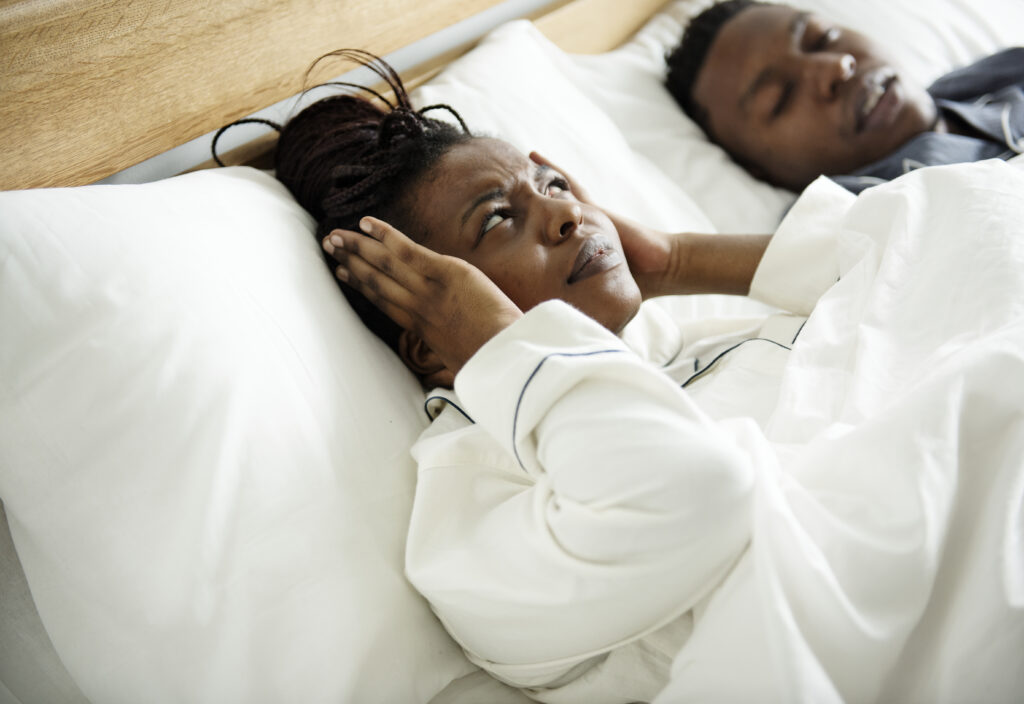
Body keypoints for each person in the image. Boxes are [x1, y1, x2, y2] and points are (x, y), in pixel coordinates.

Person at [238, 51, 1024, 703]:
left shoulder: (690, 345)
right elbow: (696, 494)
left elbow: (959, 233)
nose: (567, 214)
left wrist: (678, 258)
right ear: (436, 337)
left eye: (550, 186)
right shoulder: (467, 522)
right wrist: (498, 343)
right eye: (497, 219)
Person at [664, 0, 1024, 192]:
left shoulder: (996, 76)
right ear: (760, 172)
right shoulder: (848, 227)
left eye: (824, 38)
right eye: (782, 97)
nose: (836, 68)